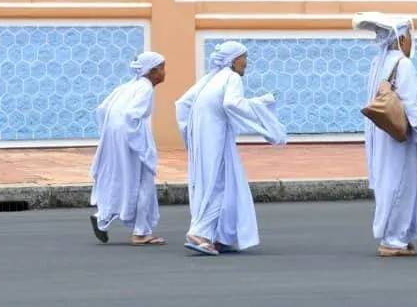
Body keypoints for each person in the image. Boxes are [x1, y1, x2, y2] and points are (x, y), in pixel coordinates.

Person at [175, 41, 287, 256]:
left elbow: (182, 104)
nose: (247, 63)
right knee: (219, 184)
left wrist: (190, 135)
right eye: (244, 58)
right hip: (215, 139)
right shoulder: (231, 77)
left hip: (204, 138)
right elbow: (232, 104)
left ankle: (220, 236)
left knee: (210, 183)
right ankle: (199, 233)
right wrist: (262, 109)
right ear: (234, 60)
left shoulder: (210, 79)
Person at [353, 12, 417, 257]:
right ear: (402, 39)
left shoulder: (379, 61)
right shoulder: (403, 64)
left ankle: (398, 235)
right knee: (402, 184)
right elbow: (412, 105)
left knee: (389, 182)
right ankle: (393, 239)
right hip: (399, 136)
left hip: (383, 133)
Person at [89, 51, 167, 246]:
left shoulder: (126, 87)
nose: (165, 72)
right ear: (152, 71)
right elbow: (132, 116)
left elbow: (102, 109)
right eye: (162, 68)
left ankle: (103, 217)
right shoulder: (145, 88)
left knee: (120, 178)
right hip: (132, 138)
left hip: (115, 138)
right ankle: (141, 232)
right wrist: (139, 144)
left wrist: (113, 135)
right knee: (144, 182)